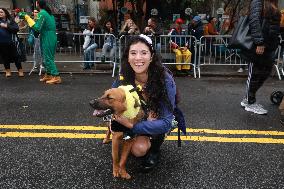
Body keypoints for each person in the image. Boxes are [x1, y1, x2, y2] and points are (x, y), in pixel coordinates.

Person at [110, 34, 176, 172]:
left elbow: (166, 122)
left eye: (144, 53)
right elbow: (112, 101)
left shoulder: (165, 79)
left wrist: (131, 126)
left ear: (151, 56)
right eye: (133, 53)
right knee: (137, 150)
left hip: (155, 118)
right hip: (137, 117)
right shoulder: (123, 75)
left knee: (141, 148)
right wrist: (113, 120)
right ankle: (136, 136)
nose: (138, 58)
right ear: (128, 57)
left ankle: (155, 148)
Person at [240, 0, 281, 114]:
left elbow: (274, 26)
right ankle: (250, 102)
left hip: (269, 46)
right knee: (255, 74)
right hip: (258, 45)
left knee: (265, 72)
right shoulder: (258, 1)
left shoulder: (273, 4)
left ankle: (248, 98)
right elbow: (254, 21)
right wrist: (259, 42)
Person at [19, 0, 61, 84]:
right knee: (48, 57)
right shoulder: (49, 13)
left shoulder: (42, 13)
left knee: (48, 58)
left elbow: (37, 28)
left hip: (47, 36)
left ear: (38, 4)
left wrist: (27, 18)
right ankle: (49, 74)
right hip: (50, 36)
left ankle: (56, 76)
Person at [0, 7, 24, 77]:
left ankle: (20, 70)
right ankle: (8, 71)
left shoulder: (10, 20)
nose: (0, 13)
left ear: (5, 13)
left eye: (1, 12)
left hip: (12, 42)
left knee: (16, 56)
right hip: (1, 42)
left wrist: (6, 26)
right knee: (5, 57)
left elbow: (16, 29)